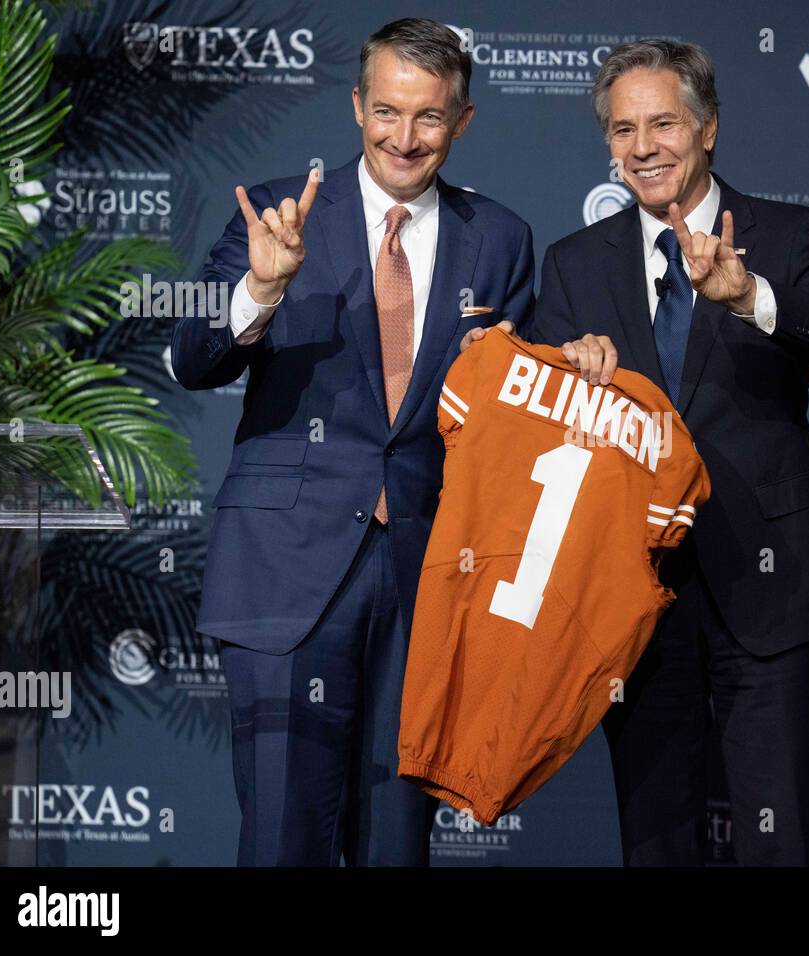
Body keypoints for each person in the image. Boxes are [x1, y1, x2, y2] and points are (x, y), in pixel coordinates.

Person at [170, 18, 534, 866]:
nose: (404, 138)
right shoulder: (278, 210)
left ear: (464, 120)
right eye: (387, 111)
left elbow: (516, 415)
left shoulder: (502, 236)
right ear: (356, 105)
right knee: (283, 837)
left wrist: (555, 366)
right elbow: (191, 357)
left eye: (430, 118)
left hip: (430, 571)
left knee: (397, 841)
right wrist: (259, 287)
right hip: (285, 568)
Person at [528, 39, 809, 866]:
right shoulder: (574, 263)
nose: (642, 147)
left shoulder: (790, 232)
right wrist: (564, 380)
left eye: (662, 123)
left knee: (783, 834)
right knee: (656, 837)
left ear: (708, 127)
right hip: (637, 594)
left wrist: (750, 295)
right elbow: (547, 432)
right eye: (622, 130)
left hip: (776, 585)